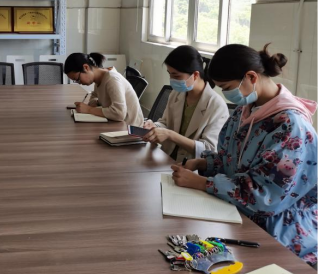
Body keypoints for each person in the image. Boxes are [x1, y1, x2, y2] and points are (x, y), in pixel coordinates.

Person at [171, 44, 317, 266]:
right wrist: (204, 163)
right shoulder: (245, 111)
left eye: (227, 87)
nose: (226, 94)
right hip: (239, 217)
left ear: (251, 77)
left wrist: (203, 183)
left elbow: (265, 196)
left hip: (281, 237)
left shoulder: (289, 127)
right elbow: (232, 160)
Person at [143, 45, 229, 161]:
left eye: (176, 75)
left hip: (191, 166)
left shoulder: (216, 105)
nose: (172, 80)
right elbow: (165, 122)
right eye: (170, 74)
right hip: (165, 157)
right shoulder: (176, 94)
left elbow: (209, 149)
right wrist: (155, 127)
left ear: (195, 75)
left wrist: (170, 135)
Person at [64, 53, 143, 126]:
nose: (79, 83)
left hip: (130, 129)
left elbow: (119, 113)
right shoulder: (99, 79)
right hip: (116, 125)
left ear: (86, 67)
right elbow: (93, 97)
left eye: (77, 79)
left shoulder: (112, 79)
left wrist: (89, 110)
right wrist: (95, 104)